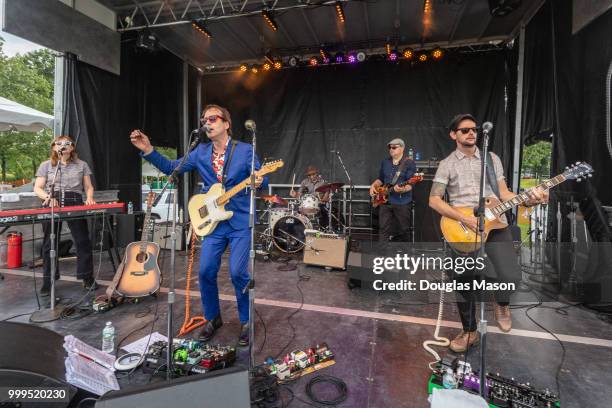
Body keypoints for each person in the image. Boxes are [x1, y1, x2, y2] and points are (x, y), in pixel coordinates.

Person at [130, 104, 267, 346]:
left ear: (226, 123)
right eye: (204, 119)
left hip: (239, 221)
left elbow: (261, 181)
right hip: (213, 223)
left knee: (237, 272)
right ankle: (213, 318)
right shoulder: (200, 152)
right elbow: (173, 168)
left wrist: (259, 182)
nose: (207, 123)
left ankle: (246, 321)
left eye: (213, 118)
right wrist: (149, 149)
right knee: (205, 272)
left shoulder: (245, 150)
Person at [429, 113, 548, 352]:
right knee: (464, 283)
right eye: (465, 130)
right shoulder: (447, 164)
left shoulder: (491, 158)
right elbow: (434, 200)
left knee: (510, 274)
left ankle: (501, 303)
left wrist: (528, 201)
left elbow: (504, 194)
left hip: (496, 224)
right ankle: (469, 331)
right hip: (463, 228)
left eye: (474, 129)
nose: (471, 133)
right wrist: (463, 218)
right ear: (454, 135)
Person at [33, 135, 97, 296]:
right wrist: (47, 197)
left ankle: (86, 277)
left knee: (82, 240)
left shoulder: (81, 165)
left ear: (72, 147)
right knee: (49, 243)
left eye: (67, 143)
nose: (63, 146)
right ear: (54, 147)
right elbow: (38, 188)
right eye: (59, 143)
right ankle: (48, 280)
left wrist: (89, 197)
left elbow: (88, 186)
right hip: (52, 200)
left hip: (74, 199)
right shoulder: (46, 165)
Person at [369, 138, 416, 241]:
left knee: (404, 229)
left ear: (402, 148)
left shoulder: (409, 163)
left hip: (402, 201)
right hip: (385, 200)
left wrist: (402, 189)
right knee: (383, 228)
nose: (391, 149)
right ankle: (383, 254)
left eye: (394, 147)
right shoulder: (385, 162)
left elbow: (411, 184)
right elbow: (381, 179)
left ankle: (405, 254)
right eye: (390, 147)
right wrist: (373, 185)